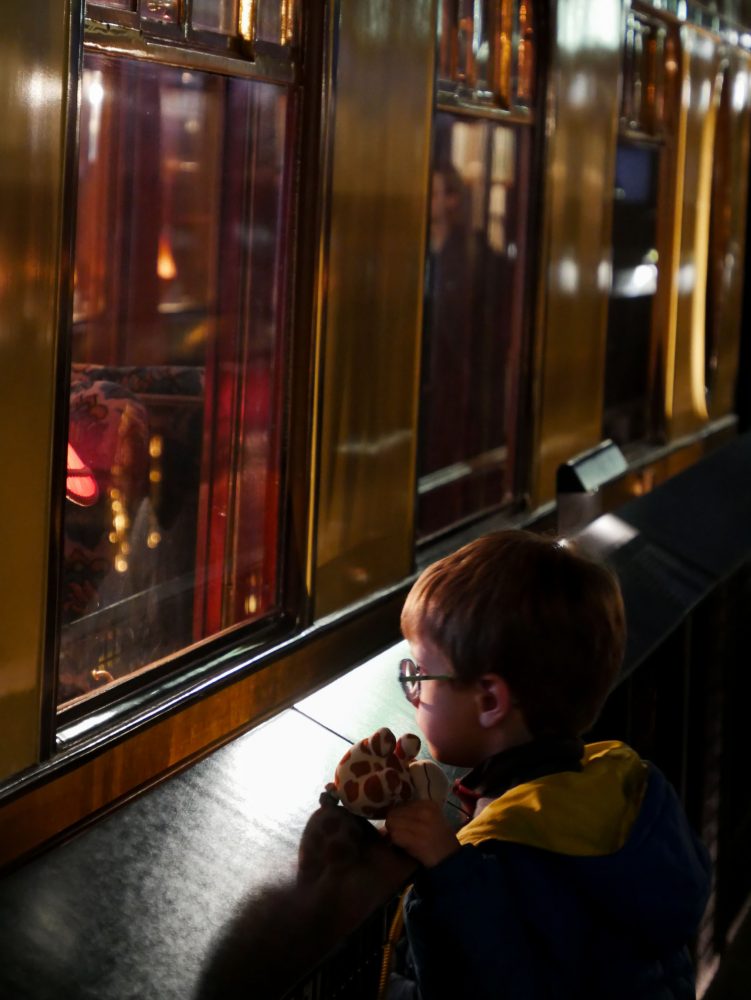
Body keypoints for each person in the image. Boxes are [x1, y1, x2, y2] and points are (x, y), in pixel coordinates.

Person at [384, 530, 711, 999]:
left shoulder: (519, 851)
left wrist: (449, 872)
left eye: (419, 674)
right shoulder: (617, 794)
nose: (412, 690)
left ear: (490, 700)